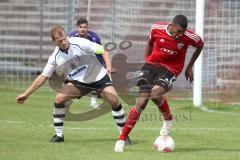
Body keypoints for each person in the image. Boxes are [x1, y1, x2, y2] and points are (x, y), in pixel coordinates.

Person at [15, 25, 131, 144]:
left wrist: (108, 67)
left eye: (65, 38)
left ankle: (124, 136)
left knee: (114, 100)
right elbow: (43, 77)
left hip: (98, 77)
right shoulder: (55, 57)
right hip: (79, 82)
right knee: (59, 99)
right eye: (60, 41)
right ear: (54, 42)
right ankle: (59, 135)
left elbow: (103, 51)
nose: (64, 42)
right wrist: (26, 94)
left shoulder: (79, 42)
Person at [114, 15, 204, 152]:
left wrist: (189, 67)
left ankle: (168, 118)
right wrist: (147, 61)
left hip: (171, 69)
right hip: (151, 65)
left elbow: (200, 45)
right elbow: (149, 43)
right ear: (172, 25)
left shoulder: (190, 37)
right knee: (141, 101)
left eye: (181, 33)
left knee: (155, 93)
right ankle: (121, 139)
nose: (178, 35)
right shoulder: (156, 28)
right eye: (177, 31)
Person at [69, 18, 104, 109]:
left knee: (95, 80)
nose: (82, 29)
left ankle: (93, 102)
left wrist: (103, 65)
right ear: (77, 28)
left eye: (84, 27)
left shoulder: (94, 38)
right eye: (80, 27)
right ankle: (68, 99)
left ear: (87, 28)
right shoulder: (71, 37)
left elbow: (100, 53)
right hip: (77, 62)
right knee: (72, 82)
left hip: (91, 62)